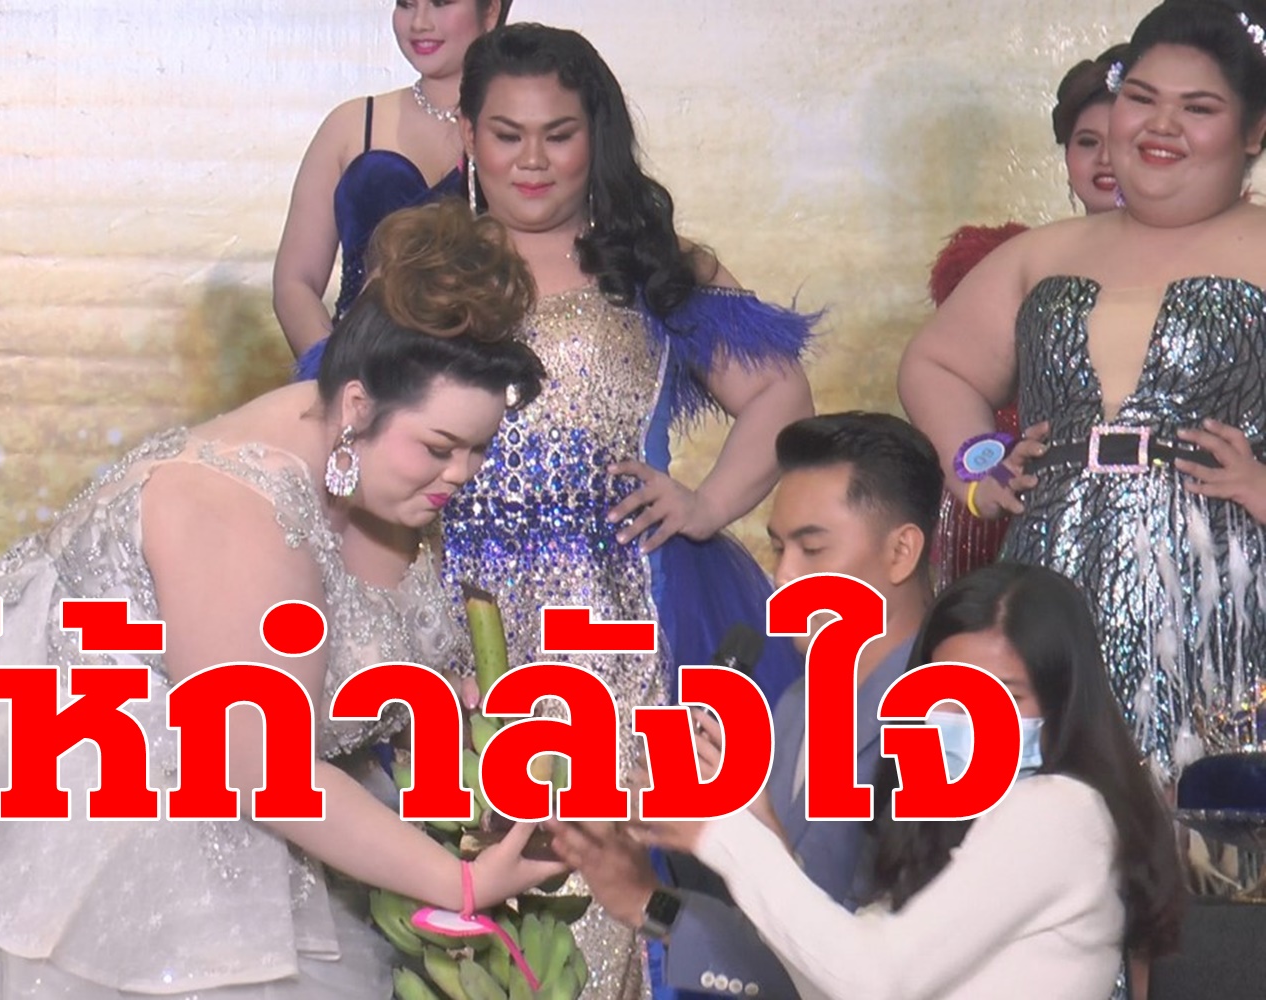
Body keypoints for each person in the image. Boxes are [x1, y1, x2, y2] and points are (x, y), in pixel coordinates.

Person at [0, 200, 563, 999]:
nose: (461, 473)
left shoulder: (378, 474)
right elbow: (262, 768)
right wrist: (461, 885)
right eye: (440, 447)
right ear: (359, 405)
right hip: (97, 817)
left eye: (479, 449)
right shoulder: (234, 507)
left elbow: (362, 660)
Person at [438, 23, 816, 998]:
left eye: (558, 134)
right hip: (455, 604)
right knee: (464, 858)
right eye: (506, 134)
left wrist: (705, 503)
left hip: (616, 614)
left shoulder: (653, 267)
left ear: (596, 137)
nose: (531, 160)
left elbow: (781, 398)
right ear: (468, 135)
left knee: (607, 853)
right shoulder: (427, 269)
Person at [898, 0, 1266, 781]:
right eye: (1142, 98)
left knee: (1204, 800)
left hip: (1220, 574)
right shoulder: (1044, 253)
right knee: (1042, 789)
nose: (1161, 125)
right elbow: (937, 364)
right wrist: (976, 466)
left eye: (1198, 108)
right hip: (1052, 566)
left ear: (1254, 131)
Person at [635, 563, 1187, 1000]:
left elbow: (877, 979)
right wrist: (760, 830)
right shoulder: (946, 823)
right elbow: (834, 985)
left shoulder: (1061, 810)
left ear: (1062, 703)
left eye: (1006, 696)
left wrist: (723, 834)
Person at [549, 412, 943, 999]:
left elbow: (883, 972)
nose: (783, 577)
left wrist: (756, 848)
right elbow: (767, 955)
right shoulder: (793, 706)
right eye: (779, 548)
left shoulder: (949, 722)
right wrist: (641, 896)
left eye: (812, 548)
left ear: (901, 551)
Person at [928, 43, 1127, 590]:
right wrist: (980, 467)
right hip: (1038, 519)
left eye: (1122, 141)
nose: (1106, 160)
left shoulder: (1235, 258)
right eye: (1087, 142)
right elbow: (938, 368)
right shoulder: (1012, 261)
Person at [274, 0, 512, 360]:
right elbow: (295, 282)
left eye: (440, 3)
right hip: (361, 369)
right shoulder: (351, 124)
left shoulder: (525, 133)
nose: (419, 22)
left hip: (487, 373)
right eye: (406, 4)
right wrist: (333, 371)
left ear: (491, 10)